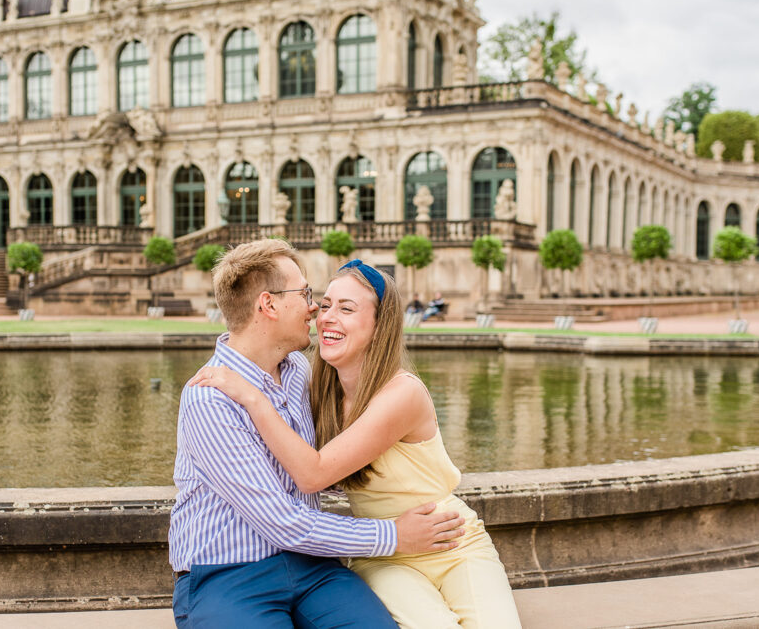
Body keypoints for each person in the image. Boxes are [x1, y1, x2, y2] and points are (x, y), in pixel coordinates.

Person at [191, 259, 522, 629]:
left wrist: (253, 398)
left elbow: (313, 472)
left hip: (450, 537)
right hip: (383, 553)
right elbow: (315, 471)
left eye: (346, 308)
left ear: (380, 327)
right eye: (324, 302)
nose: (323, 314)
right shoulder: (313, 381)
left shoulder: (402, 393)